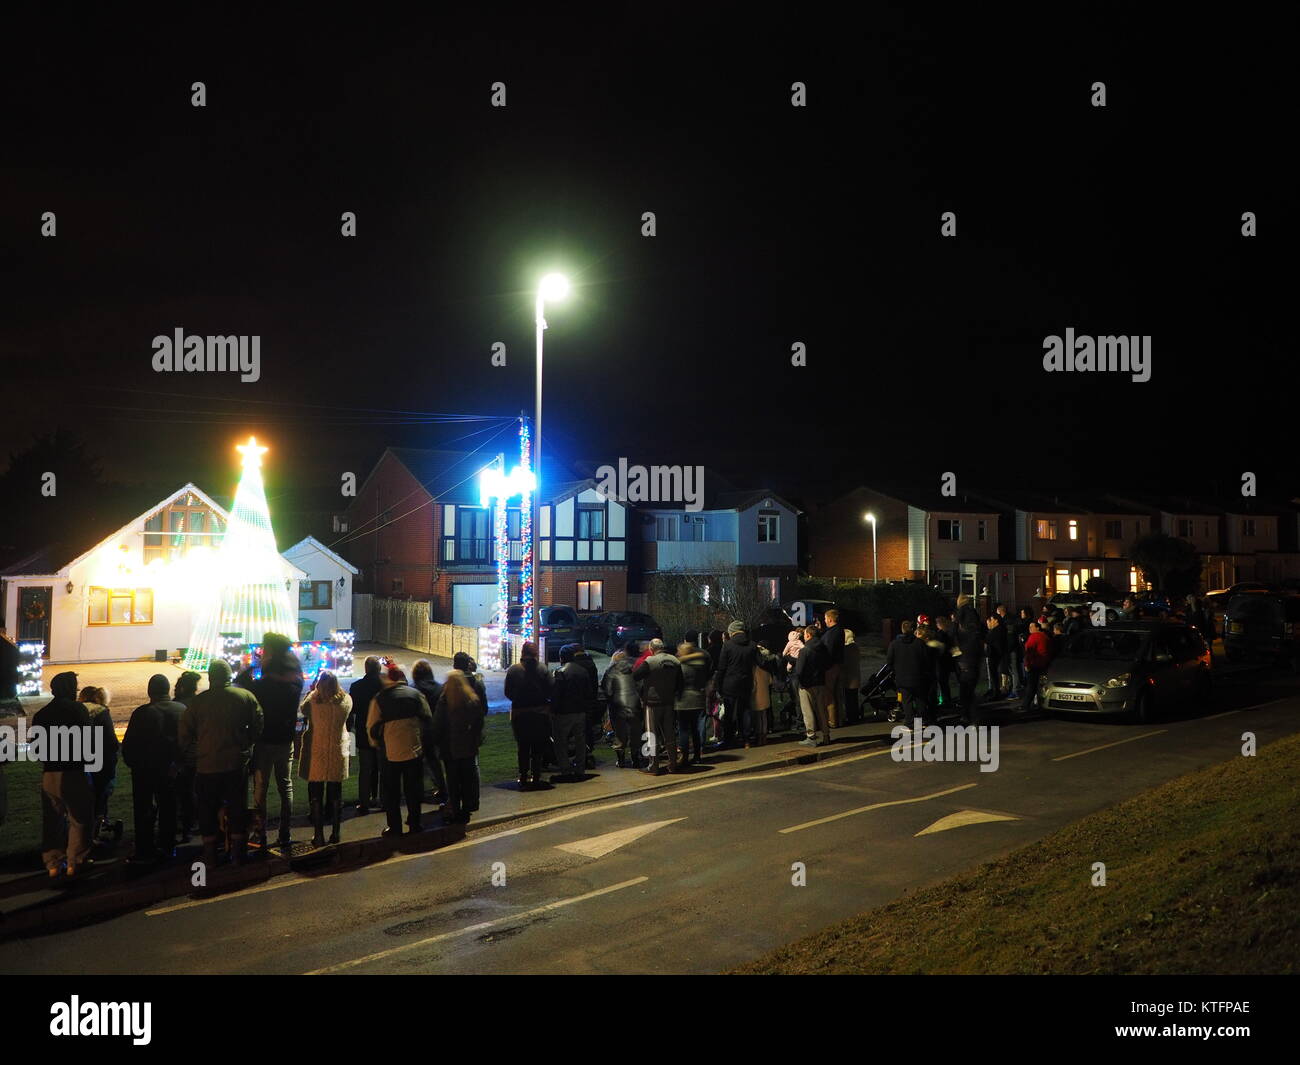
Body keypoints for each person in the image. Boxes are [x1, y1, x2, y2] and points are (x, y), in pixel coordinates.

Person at [179, 659, 263, 867]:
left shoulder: (198, 702)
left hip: (207, 765)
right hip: (235, 763)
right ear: (229, 676)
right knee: (237, 807)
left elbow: (184, 734)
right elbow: (258, 722)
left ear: (210, 677)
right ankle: (237, 854)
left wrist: (195, 754)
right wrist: (246, 743)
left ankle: (210, 855)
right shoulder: (244, 697)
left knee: (207, 809)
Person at [236, 632, 303, 848]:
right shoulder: (293, 685)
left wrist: (251, 665)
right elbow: (298, 677)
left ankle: (260, 833)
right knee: (286, 786)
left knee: (261, 789)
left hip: (265, 741)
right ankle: (285, 833)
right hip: (285, 740)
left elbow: (243, 682)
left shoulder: (263, 686)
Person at [34, 672, 95, 878]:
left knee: (52, 821)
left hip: (50, 773)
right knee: (79, 820)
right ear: (70, 689)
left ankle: (52, 863)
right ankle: (74, 863)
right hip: (73, 772)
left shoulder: (41, 714)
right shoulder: (78, 710)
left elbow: (36, 750)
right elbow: (88, 743)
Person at [121, 674, 185, 863]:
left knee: (144, 810)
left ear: (150, 692)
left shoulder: (142, 713)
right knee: (169, 808)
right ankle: (168, 845)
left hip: (145, 770)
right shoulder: (182, 710)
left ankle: (145, 848)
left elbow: (129, 744)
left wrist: (133, 764)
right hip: (171, 769)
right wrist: (179, 764)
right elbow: (188, 741)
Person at [367, 663, 432, 837]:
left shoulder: (380, 698)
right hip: (413, 749)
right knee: (414, 789)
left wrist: (376, 744)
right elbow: (427, 718)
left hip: (390, 752)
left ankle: (394, 827)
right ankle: (415, 823)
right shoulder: (416, 695)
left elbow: (371, 726)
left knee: (391, 792)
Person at [299, 670, 351, 847]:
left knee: (316, 793)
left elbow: (303, 709)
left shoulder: (314, 700)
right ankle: (336, 833)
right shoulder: (346, 700)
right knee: (335, 792)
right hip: (337, 750)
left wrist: (313, 691)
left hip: (317, 751)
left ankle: (318, 834)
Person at [433, 670, 486, 824]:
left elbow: (438, 724)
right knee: (468, 778)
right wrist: (475, 738)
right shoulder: (471, 699)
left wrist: (437, 741)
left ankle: (455, 808)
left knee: (453, 781)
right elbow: (479, 722)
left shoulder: (445, 701)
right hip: (468, 747)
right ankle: (468, 806)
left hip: (450, 748)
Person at [505, 642, 554, 786]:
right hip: (540, 712)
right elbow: (551, 688)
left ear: (522, 652)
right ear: (535, 654)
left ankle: (523, 774)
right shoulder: (543, 669)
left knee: (523, 746)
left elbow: (508, 692)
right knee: (538, 746)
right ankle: (536, 774)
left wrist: (518, 699)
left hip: (520, 713)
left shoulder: (513, 670)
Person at [76, 685, 119, 843]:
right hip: (99, 761)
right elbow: (111, 740)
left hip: (77, 762)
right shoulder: (101, 711)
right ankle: (98, 827)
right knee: (101, 796)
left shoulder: (75, 710)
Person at [633, 638, 683, 773]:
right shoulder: (675, 661)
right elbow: (680, 683)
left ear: (651, 649)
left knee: (652, 734)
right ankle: (673, 763)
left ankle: (653, 765)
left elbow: (636, 676)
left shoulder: (650, 661)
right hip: (669, 702)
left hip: (652, 702)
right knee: (669, 734)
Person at [550, 644, 595, 780]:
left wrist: (553, 709)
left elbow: (556, 694)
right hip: (580, 711)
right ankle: (580, 768)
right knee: (580, 740)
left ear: (561, 658)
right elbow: (588, 692)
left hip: (564, 712)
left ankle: (566, 769)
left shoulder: (560, 672)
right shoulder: (582, 671)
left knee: (560, 741)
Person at [346, 656, 384, 814]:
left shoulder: (356, 687)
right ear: (379, 669)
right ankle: (383, 800)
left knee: (365, 769)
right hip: (382, 732)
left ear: (366, 668)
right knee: (382, 768)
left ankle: (364, 803)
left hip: (364, 731)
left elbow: (352, 711)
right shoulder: (384, 685)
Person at [712, 620, 758, 749]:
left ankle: (729, 740)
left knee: (729, 713)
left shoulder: (727, 645)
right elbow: (759, 662)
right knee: (745, 711)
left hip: (730, 684)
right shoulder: (752, 645)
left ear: (731, 632)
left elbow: (721, 668)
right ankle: (746, 739)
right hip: (746, 683)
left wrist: (718, 685)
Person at [600, 641, 643, 769]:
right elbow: (641, 685)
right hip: (635, 704)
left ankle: (621, 760)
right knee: (635, 733)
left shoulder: (611, 670)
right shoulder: (635, 667)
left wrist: (610, 701)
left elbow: (606, 690)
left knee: (620, 734)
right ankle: (635, 758)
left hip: (617, 706)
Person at [411, 660, 447, 805]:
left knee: (418, 763)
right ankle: (441, 786)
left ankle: (419, 791)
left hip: (421, 730)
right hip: (437, 728)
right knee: (435, 761)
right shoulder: (439, 688)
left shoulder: (414, 690)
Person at [887, 620, 935, 728]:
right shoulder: (920, 643)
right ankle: (922, 721)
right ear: (913, 629)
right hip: (918, 677)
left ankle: (910, 723)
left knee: (906, 701)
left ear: (902, 630)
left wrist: (896, 671)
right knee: (920, 700)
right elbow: (926, 660)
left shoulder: (894, 644)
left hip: (902, 678)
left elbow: (889, 661)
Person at [172, 671, 201, 841]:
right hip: (200, 754)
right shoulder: (199, 703)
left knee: (184, 793)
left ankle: (184, 827)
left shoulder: (177, 704)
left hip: (184, 756)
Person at [795, 624, 831, 747]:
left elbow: (799, 671)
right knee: (822, 710)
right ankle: (826, 735)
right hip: (820, 682)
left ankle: (811, 736)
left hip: (807, 685)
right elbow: (827, 665)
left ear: (808, 635)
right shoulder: (823, 648)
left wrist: (801, 682)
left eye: (804, 634)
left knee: (808, 711)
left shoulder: (805, 650)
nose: (804, 637)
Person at [675, 641, 710, 766]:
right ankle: (697, 755)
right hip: (698, 698)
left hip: (683, 700)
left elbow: (676, 684)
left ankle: (684, 757)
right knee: (695, 729)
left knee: (683, 730)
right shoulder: (700, 665)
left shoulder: (680, 666)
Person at [953, 594, 985, 723]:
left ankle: (966, 715)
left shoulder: (960, 615)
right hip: (972, 656)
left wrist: (956, 653)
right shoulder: (973, 615)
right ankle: (972, 716)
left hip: (963, 657)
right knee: (970, 688)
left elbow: (954, 634)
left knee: (965, 688)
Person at [820, 608, 846, 729]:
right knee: (837, 694)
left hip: (830, 667)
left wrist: (825, 666)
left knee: (829, 695)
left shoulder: (831, 634)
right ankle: (839, 719)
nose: (824, 621)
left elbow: (828, 651)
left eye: (825, 619)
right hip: (838, 665)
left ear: (830, 619)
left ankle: (832, 721)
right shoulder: (838, 631)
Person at [1021, 621, 1052, 713]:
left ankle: (1026, 705)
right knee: (1040, 685)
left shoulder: (1034, 637)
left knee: (1031, 686)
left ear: (1038, 628)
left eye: (1032, 626)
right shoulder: (1045, 636)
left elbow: (1029, 652)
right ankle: (1039, 704)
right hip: (1043, 664)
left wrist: (1027, 664)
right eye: (1029, 626)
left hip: (1034, 664)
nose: (1030, 628)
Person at [984, 614, 1009, 702]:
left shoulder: (997, 630)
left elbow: (987, 639)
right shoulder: (1000, 629)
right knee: (994, 674)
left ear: (996, 621)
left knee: (994, 675)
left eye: (992, 620)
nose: (990, 622)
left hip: (995, 655)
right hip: (997, 654)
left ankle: (996, 693)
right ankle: (995, 691)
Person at [842, 628, 862, 725]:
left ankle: (851, 718)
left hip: (848, 677)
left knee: (849, 699)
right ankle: (855, 716)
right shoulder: (855, 647)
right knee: (854, 698)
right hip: (855, 676)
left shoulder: (847, 648)